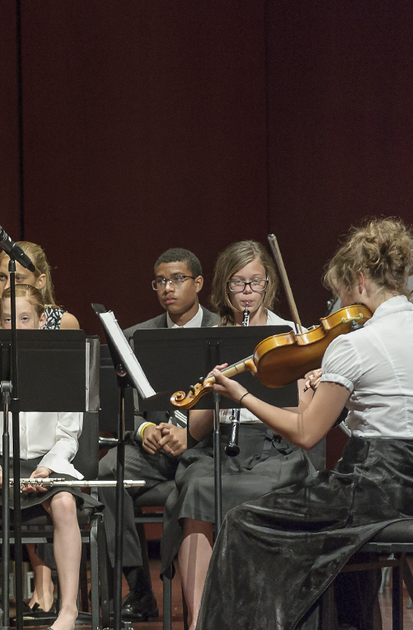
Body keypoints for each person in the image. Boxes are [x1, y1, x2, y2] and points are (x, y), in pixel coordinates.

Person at [195, 217, 413, 630]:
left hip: (375, 488)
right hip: (408, 487)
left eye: (343, 292)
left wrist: (241, 394)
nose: (342, 305)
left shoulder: (354, 343)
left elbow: (306, 432)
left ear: (361, 280)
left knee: (243, 523)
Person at [160, 240, 316, 626]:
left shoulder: (291, 333)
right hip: (221, 448)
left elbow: (302, 415)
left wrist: (252, 395)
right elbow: (195, 429)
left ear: (269, 285)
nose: (247, 294)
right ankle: (199, 620)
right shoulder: (212, 337)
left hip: (275, 446)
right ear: (222, 288)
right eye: (237, 284)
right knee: (196, 486)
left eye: (255, 283)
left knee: (271, 488)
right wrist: (213, 392)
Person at [0, 284, 91, 630]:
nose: (14, 325)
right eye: (6, 319)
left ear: (42, 320)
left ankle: (68, 610)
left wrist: (48, 466)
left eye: (24, 318)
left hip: (48, 463)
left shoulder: (61, 365)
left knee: (63, 505)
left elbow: (68, 435)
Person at [96, 247, 215, 621]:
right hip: (153, 449)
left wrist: (189, 434)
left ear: (197, 283)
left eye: (177, 279)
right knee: (106, 472)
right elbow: (123, 402)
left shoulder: (219, 330)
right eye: (161, 281)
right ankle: (140, 590)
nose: (168, 288)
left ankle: (203, 600)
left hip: (203, 448)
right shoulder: (137, 336)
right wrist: (144, 427)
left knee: (198, 486)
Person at [0, 241, 80, 330]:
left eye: (18, 278)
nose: (7, 286)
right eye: (2, 277)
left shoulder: (64, 323)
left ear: (40, 281)